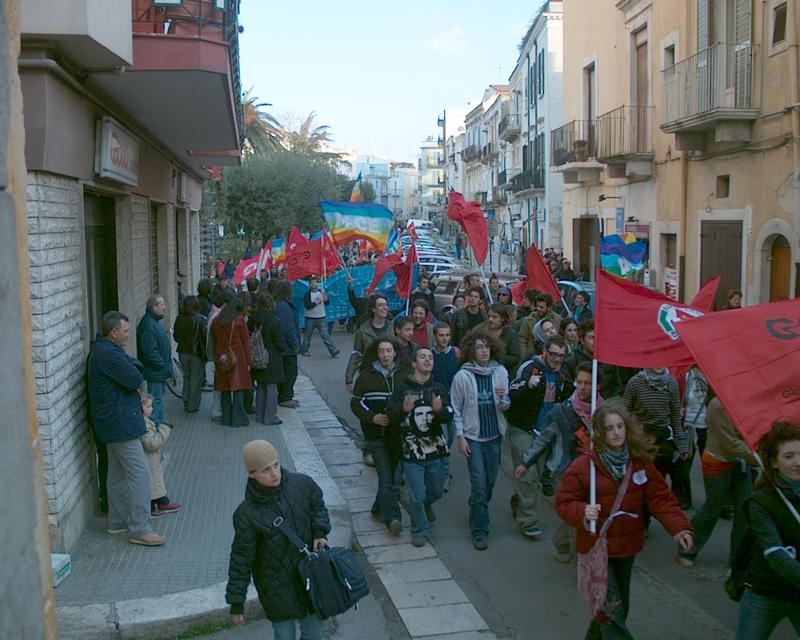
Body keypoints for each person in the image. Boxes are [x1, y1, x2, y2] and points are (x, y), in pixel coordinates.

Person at [556, 401, 694, 638]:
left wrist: (679, 527)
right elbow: (563, 503)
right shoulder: (584, 466)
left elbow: (660, 497)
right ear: (600, 432)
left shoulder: (639, 462)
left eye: (620, 426)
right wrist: (582, 511)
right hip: (596, 547)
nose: (617, 432)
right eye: (610, 428)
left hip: (626, 547)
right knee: (612, 611)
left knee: (615, 608)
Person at [226, 440, 330, 640]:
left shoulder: (302, 484)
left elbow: (318, 505)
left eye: (275, 464)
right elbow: (241, 558)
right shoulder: (246, 514)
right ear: (252, 474)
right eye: (266, 470)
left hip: (309, 580)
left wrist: (320, 531)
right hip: (276, 590)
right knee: (284, 636)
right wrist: (237, 600)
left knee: (315, 635)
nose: (274, 473)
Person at [87, 311, 165, 546]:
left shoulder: (104, 350)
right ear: (113, 333)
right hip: (120, 423)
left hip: (112, 422)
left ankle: (117, 521)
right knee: (140, 474)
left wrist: (131, 364)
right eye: (126, 331)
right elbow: (134, 379)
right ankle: (140, 528)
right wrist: (133, 365)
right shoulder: (109, 354)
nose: (129, 335)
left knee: (117, 474)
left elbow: (131, 368)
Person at [514, 361, 595, 562]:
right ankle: (580, 558)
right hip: (567, 470)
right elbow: (544, 438)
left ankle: (562, 542)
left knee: (583, 512)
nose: (582, 387)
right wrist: (526, 462)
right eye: (579, 382)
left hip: (594, 470)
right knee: (576, 511)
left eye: (588, 383)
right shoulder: (562, 411)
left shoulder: (602, 411)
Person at [734, 421, 800, 639]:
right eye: (789, 456)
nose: (798, 462)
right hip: (766, 594)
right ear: (774, 462)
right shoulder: (761, 502)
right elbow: (775, 554)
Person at [677, 396, 755, 569]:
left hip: (742, 461)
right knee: (713, 507)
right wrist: (758, 456)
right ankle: (687, 549)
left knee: (745, 509)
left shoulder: (747, 400)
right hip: (718, 461)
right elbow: (730, 443)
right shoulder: (718, 404)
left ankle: (738, 561)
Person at [506, 336, 573, 537]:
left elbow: (567, 396)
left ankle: (519, 501)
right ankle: (528, 521)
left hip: (545, 434)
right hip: (523, 429)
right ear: (544, 351)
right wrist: (528, 386)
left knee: (534, 477)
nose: (557, 359)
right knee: (529, 474)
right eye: (553, 354)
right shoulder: (529, 368)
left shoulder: (562, 373)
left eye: (561, 356)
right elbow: (511, 393)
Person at [450, 330, 510, 550]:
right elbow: (456, 408)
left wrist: (502, 398)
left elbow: (505, 406)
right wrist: (460, 437)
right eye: (479, 347)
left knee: (490, 481)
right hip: (473, 437)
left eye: (486, 346)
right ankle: (480, 531)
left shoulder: (500, 371)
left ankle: (477, 504)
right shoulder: (462, 376)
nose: (484, 351)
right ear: (471, 351)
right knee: (479, 483)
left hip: (494, 436)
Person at [388, 348, 454, 547]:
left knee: (436, 491)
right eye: (423, 357)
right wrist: (403, 410)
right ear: (414, 363)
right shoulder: (402, 388)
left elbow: (449, 414)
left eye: (430, 358)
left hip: (435, 450)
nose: (427, 360)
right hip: (411, 452)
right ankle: (419, 530)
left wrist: (440, 411)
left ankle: (426, 504)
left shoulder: (438, 388)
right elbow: (391, 417)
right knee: (416, 495)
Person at [352, 338, 410, 535]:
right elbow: (356, 403)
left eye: (388, 351)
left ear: (395, 353)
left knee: (392, 476)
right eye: (382, 351)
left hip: (396, 435)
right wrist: (372, 417)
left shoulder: (404, 376)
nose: (385, 355)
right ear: (377, 354)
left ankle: (378, 508)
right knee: (385, 475)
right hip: (375, 436)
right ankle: (392, 518)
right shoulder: (366, 377)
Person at [623, 368, 691, 510]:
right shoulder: (635, 383)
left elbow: (675, 417)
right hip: (642, 439)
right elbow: (625, 414)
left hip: (663, 439)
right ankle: (644, 515)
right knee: (643, 482)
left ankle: (666, 509)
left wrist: (681, 445)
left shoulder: (671, 384)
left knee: (660, 482)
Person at [212, 296, 252, 428]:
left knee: (224, 387)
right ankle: (238, 418)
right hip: (237, 356)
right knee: (238, 386)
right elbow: (245, 342)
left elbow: (214, 340)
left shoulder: (217, 320)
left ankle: (226, 417)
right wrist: (249, 361)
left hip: (222, 356)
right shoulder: (239, 320)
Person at [249, 293, 287, 426]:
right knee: (271, 387)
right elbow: (280, 343)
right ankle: (270, 417)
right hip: (271, 357)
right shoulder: (275, 320)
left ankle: (260, 415)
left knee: (260, 385)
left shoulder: (252, 319)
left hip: (256, 356)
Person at [140, 393, 180, 518]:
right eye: (148, 406)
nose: (151, 409)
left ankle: (162, 500)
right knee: (150, 482)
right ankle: (151, 507)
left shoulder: (146, 421)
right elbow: (152, 443)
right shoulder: (144, 423)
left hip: (152, 459)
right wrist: (164, 429)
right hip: (148, 459)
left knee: (156, 479)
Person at [136, 294, 172, 426]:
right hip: (155, 371)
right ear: (154, 307)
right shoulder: (149, 325)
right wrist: (162, 364)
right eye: (162, 305)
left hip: (158, 370)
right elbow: (150, 352)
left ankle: (159, 424)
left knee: (158, 399)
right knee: (155, 400)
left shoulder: (154, 322)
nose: (164, 307)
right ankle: (155, 426)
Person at [345, 294, 392, 394]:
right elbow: (356, 353)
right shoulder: (363, 330)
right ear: (373, 309)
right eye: (381, 305)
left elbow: (401, 351)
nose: (384, 308)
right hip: (370, 373)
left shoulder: (393, 328)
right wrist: (349, 378)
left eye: (386, 305)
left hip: (389, 373)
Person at [172, 295, 207, 413]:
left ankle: (186, 398)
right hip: (196, 353)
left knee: (187, 376)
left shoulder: (179, 319)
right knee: (195, 379)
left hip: (182, 352)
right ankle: (192, 405)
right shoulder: (201, 319)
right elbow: (205, 337)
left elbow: (176, 337)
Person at [274, 279, 302, 408]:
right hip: (287, 347)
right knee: (290, 372)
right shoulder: (283, 306)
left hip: (284, 346)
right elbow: (288, 328)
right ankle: (285, 397)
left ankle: (285, 395)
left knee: (287, 371)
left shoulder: (280, 304)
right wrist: (295, 345)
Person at [301, 276, 339, 358]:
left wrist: (324, 294)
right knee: (307, 336)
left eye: (315, 282)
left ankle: (333, 350)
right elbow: (307, 305)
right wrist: (315, 303)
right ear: (309, 284)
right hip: (310, 318)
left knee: (325, 335)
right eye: (311, 283)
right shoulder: (307, 294)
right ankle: (305, 350)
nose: (313, 284)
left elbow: (327, 302)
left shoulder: (321, 292)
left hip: (321, 317)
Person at [480, 302, 520, 376]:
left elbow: (515, 359)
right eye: (489, 316)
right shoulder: (480, 330)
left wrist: (495, 356)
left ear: (502, 318)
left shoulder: (511, 334)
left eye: (494, 317)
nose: (490, 319)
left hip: (502, 374)